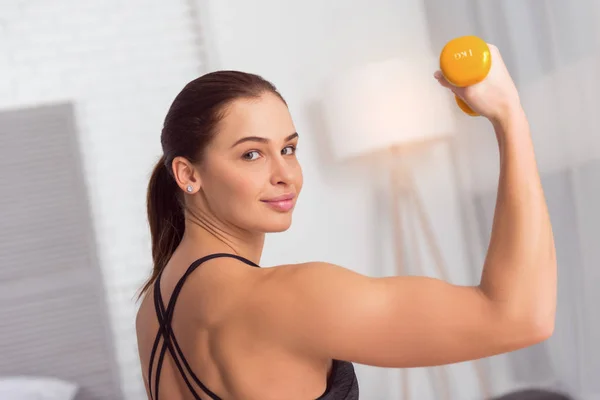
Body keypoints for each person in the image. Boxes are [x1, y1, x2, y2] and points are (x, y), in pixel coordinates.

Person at [135, 43, 557, 400]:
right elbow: (520, 316)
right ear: (188, 174)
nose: (285, 174)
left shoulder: (154, 309)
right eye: (252, 154)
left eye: (289, 149)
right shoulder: (292, 297)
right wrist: (508, 114)